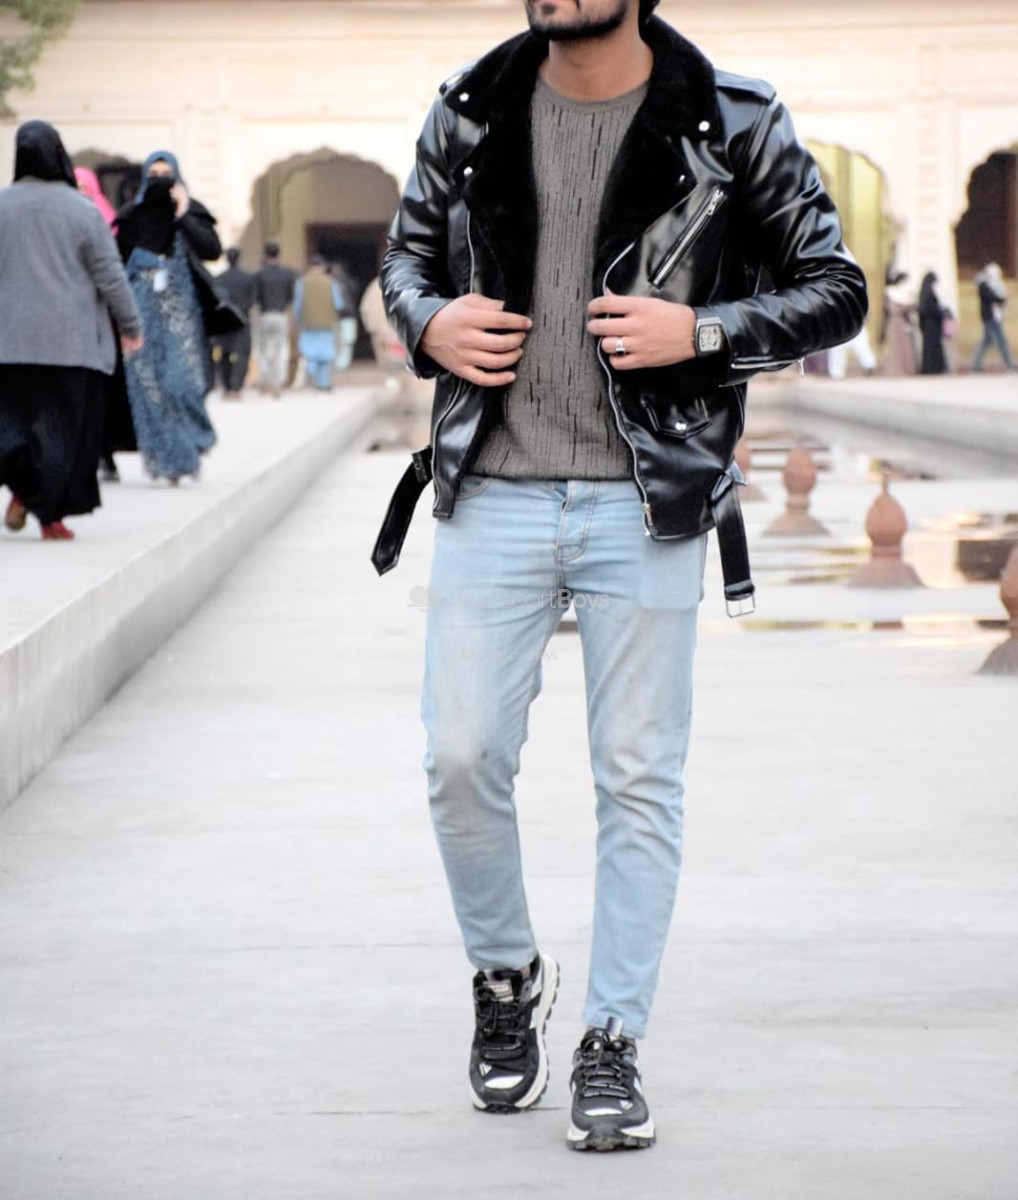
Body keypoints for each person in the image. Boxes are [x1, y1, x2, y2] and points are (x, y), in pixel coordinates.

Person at [372, 0, 867, 1154]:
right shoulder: (469, 109)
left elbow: (834, 286)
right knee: (460, 758)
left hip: (643, 501)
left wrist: (701, 331)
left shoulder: (731, 119)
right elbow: (402, 260)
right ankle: (508, 979)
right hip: (491, 487)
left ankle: (612, 1039)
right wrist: (428, 321)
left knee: (638, 778)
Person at [0, 122, 142, 539]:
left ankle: (24, 492)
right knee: (60, 438)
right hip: (70, 345)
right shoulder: (82, 210)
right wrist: (131, 325)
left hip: (8, 343)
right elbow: (110, 276)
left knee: (10, 429)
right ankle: (47, 515)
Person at [115, 151, 223, 483]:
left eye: (166, 174)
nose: (160, 180)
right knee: (149, 389)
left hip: (181, 314)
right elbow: (113, 264)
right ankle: (168, 462)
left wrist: (183, 213)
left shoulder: (191, 212)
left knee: (182, 383)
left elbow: (211, 250)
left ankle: (194, 442)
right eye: (154, 174)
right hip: (140, 313)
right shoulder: (132, 216)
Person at [75, 166, 137, 481]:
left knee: (104, 390)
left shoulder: (110, 222)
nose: (81, 194)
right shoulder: (66, 219)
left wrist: (129, 322)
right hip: (71, 320)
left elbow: (115, 278)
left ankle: (106, 453)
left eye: (85, 188)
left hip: (104, 321)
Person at [295, 258, 346, 391]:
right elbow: (339, 304)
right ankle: (323, 383)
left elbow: (298, 305)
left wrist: (298, 321)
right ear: (322, 267)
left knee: (310, 354)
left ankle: (311, 381)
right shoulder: (331, 282)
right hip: (327, 324)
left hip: (308, 324)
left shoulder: (302, 282)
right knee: (325, 355)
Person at [254, 242, 296, 398]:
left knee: (263, 349)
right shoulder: (287, 274)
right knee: (280, 349)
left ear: (265, 254)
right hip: (281, 314)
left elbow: (256, 297)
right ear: (279, 254)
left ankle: (265, 381)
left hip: (264, 314)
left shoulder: (260, 274)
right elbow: (290, 297)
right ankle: (277, 382)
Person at [213, 248, 257, 398]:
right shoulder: (248, 278)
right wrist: (241, 311)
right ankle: (237, 387)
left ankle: (226, 386)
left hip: (224, 321)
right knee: (242, 354)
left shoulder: (219, 279)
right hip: (242, 320)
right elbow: (252, 299)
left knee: (224, 354)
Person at [971, 262, 1015, 372]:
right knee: (1001, 340)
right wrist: (1002, 299)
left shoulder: (991, 284)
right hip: (990, 317)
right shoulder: (984, 285)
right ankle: (1009, 363)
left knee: (987, 341)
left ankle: (976, 364)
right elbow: (992, 297)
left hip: (994, 316)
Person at [882, 270, 917, 376]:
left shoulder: (905, 293)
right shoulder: (891, 292)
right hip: (895, 324)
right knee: (896, 347)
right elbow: (891, 309)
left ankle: (906, 369)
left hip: (903, 323)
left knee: (905, 346)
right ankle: (897, 369)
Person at [330, 260, 360, 373]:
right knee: (344, 341)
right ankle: (342, 364)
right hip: (346, 315)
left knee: (343, 341)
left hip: (343, 315)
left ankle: (341, 364)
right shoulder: (350, 283)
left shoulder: (334, 284)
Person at [918, 271, 949, 375]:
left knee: (929, 348)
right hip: (933, 325)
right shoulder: (930, 294)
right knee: (934, 348)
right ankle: (935, 368)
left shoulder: (924, 293)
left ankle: (930, 367)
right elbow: (932, 309)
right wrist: (941, 313)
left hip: (928, 325)